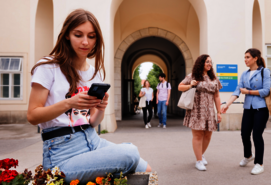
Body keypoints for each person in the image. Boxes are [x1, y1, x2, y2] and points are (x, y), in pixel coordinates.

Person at [27, 9, 151, 183]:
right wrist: (70, 102)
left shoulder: (94, 73)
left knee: (146, 169)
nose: (85, 42)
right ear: (67, 35)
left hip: (93, 139)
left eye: (91, 36)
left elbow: (93, 121)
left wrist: (101, 108)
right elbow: (32, 116)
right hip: (62, 152)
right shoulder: (47, 67)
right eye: (78, 35)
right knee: (130, 153)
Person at [221, 48, 271, 175]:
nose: (245, 60)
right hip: (248, 108)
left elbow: (266, 91)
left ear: (255, 58)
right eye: (244, 57)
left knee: (257, 135)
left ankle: (259, 163)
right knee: (244, 134)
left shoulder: (264, 71)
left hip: (261, 108)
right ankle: (248, 155)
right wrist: (227, 104)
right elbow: (237, 90)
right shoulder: (244, 74)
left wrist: (248, 92)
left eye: (248, 57)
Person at [178, 54, 222, 171]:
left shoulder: (214, 78)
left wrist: (219, 112)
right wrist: (190, 84)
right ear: (201, 63)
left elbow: (217, 96)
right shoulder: (193, 76)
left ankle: (200, 155)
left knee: (208, 135)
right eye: (207, 62)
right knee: (198, 135)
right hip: (196, 110)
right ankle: (198, 161)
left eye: (210, 62)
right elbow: (180, 87)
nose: (209, 64)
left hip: (209, 111)